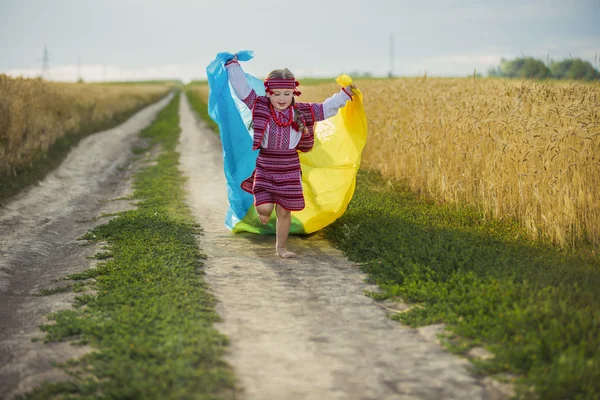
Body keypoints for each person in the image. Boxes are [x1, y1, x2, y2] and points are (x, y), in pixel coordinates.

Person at [225, 53, 356, 258]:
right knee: (266, 208)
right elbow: (242, 90)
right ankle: (263, 212)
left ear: (294, 92)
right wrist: (233, 66)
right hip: (266, 165)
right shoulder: (259, 106)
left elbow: (325, 109)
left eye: (287, 93)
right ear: (268, 93)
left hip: (289, 167)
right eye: (277, 93)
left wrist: (345, 95)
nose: (282, 98)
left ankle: (281, 248)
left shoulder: (301, 112)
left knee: (285, 211)